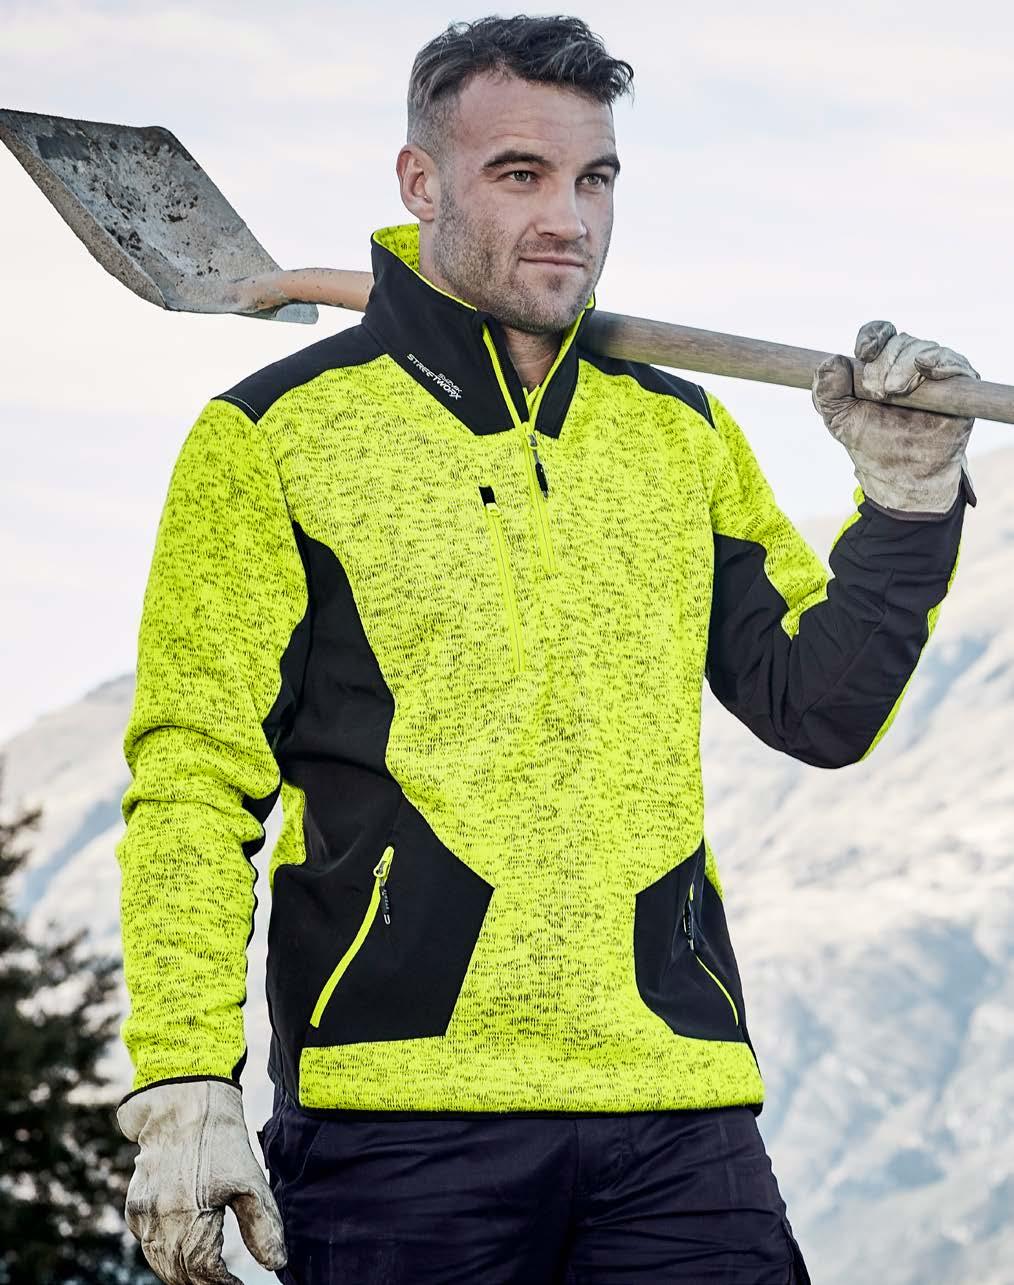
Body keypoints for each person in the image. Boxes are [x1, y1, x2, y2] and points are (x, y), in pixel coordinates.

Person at [112, 14, 979, 1285]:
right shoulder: (277, 435)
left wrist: (907, 505)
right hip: (399, 1118)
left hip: (676, 1103)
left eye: (594, 178)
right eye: (520, 175)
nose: (567, 217)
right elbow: (195, 773)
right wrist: (185, 1074)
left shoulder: (677, 434)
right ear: (421, 182)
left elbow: (819, 707)